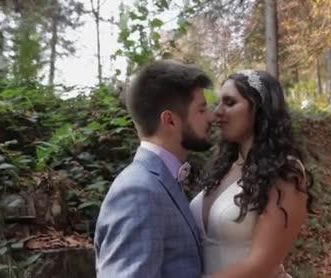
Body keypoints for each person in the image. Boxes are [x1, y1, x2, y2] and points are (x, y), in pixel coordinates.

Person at [94, 60, 214, 278]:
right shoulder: (138, 192)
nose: (211, 117)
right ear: (170, 120)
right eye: (201, 109)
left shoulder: (161, 180)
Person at [190, 69, 314, 278]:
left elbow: (261, 265)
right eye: (219, 103)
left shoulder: (285, 172)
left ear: (259, 110)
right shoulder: (225, 166)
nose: (217, 112)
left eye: (230, 103)